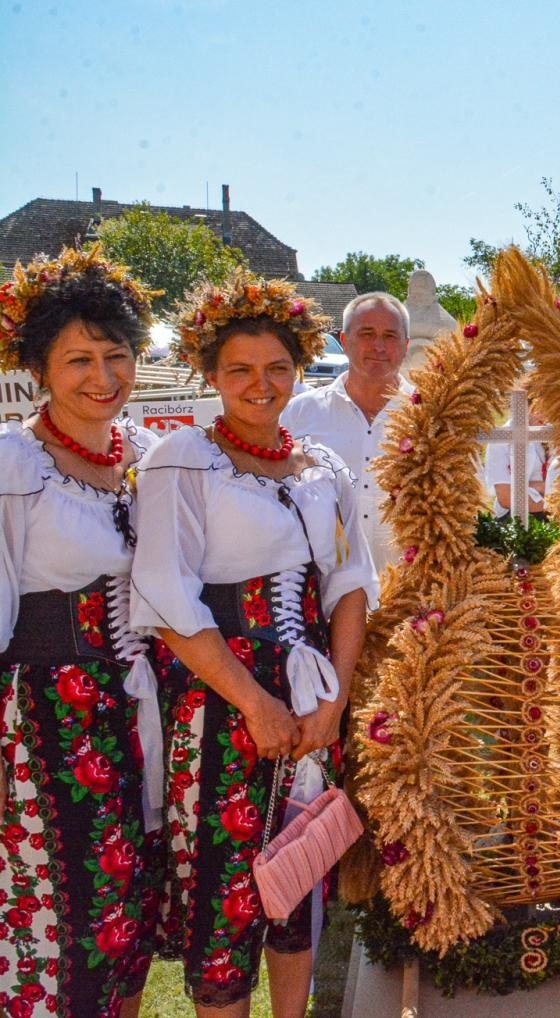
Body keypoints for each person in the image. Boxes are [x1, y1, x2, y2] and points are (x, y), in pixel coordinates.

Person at [131, 273, 378, 1017]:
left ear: (298, 369)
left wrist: (332, 698)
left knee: (295, 879)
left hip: (308, 699)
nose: (260, 384)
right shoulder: (183, 461)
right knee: (225, 892)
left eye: (276, 368)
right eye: (239, 369)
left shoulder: (322, 468)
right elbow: (168, 599)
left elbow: (349, 584)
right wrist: (254, 703)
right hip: (219, 699)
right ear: (210, 374)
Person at [0, 246, 163, 1018]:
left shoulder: (149, 459)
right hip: (47, 724)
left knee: (126, 915)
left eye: (116, 355)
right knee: (61, 919)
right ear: (38, 367)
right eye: (78, 360)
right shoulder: (12, 464)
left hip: (139, 709)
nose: (103, 377)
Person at [281, 291, 414, 570]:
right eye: (367, 333)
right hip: (325, 589)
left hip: (410, 592)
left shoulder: (433, 415)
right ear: (343, 341)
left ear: (405, 346)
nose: (378, 346)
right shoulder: (301, 414)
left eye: (390, 336)